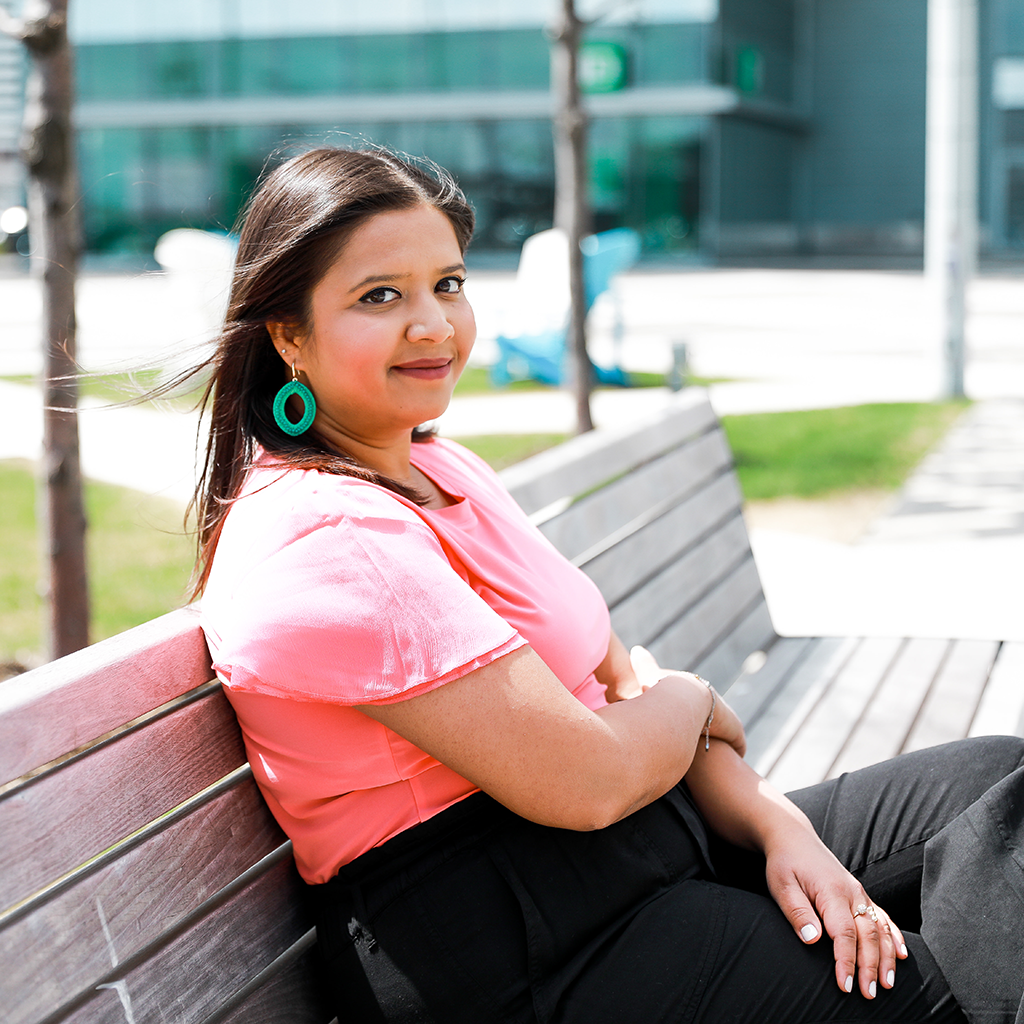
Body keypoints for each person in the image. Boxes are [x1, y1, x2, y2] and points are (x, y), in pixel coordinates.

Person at [195, 146, 1024, 1024]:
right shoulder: (325, 540)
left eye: (448, 283)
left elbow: (625, 681)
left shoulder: (447, 471)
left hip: (636, 847)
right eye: (379, 296)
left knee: (996, 786)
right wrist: (697, 698)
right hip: (523, 945)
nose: (435, 324)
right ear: (288, 333)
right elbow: (589, 776)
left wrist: (781, 826)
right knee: (923, 998)